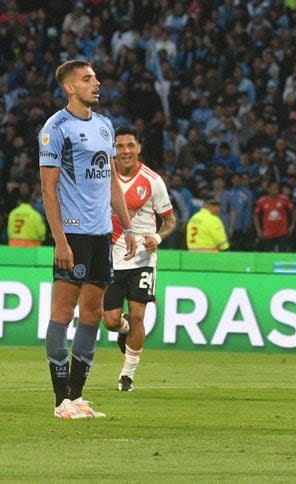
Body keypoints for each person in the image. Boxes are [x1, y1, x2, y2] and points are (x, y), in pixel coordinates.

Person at [39, 60, 137, 419]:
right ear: (69, 87)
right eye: (87, 78)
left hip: (100, 235)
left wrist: (126, 228)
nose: (96, 83)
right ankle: (59, 399)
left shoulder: (105, 126)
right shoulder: (56, 129)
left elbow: (111, 181)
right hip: (74, 233)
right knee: (63, 312)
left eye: (95, 77)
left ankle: (77, 396)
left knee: (92, 313)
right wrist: (60, 240)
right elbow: (49, 191)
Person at [102, 126, 176, 392]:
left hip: (143, 260)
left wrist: (156, 238)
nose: (125, 151)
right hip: (111, 258)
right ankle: (124, 331)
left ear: (138, 148)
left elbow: (169, 221)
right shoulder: (103, 176)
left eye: (130, 145)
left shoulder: (152, 181)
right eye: (120, 146)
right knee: (110, 321)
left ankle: (127, 375)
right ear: (114, 150)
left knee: (137, 316)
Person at [254, 181, 295, 252]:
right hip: (268, 233)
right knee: (268, 254)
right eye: (273, 188)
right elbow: (255, 215)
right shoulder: (261, 201)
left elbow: (293, 211)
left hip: (282, 232)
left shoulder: (284, 199)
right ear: (268, 189)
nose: (275, 190)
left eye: (276, 188)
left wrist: (292, 225)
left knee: (283, 254)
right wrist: (258, 230)